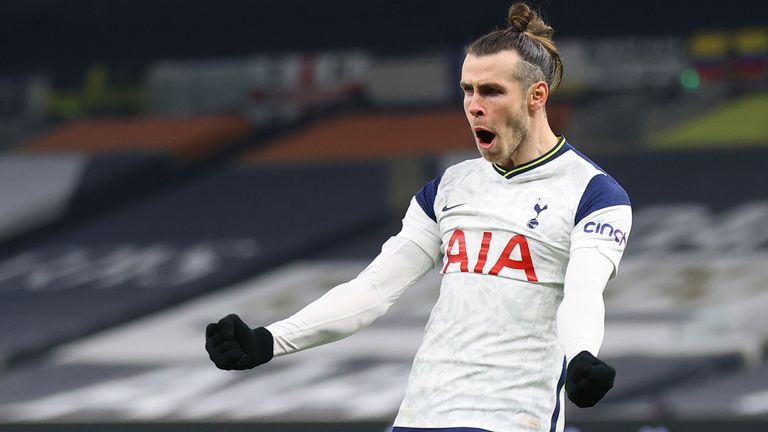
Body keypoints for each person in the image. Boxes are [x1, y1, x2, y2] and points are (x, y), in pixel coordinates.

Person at [205, 2, 631, 431]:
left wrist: (581, 355)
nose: (474, 106)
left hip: (509, 419)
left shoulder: (593, 193)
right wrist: (267, 341)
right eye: (468, 89)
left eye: (492, 91)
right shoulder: (449, 188)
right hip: (421, 416)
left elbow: (583, 292)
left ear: (536, 96)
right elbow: (372, 290)